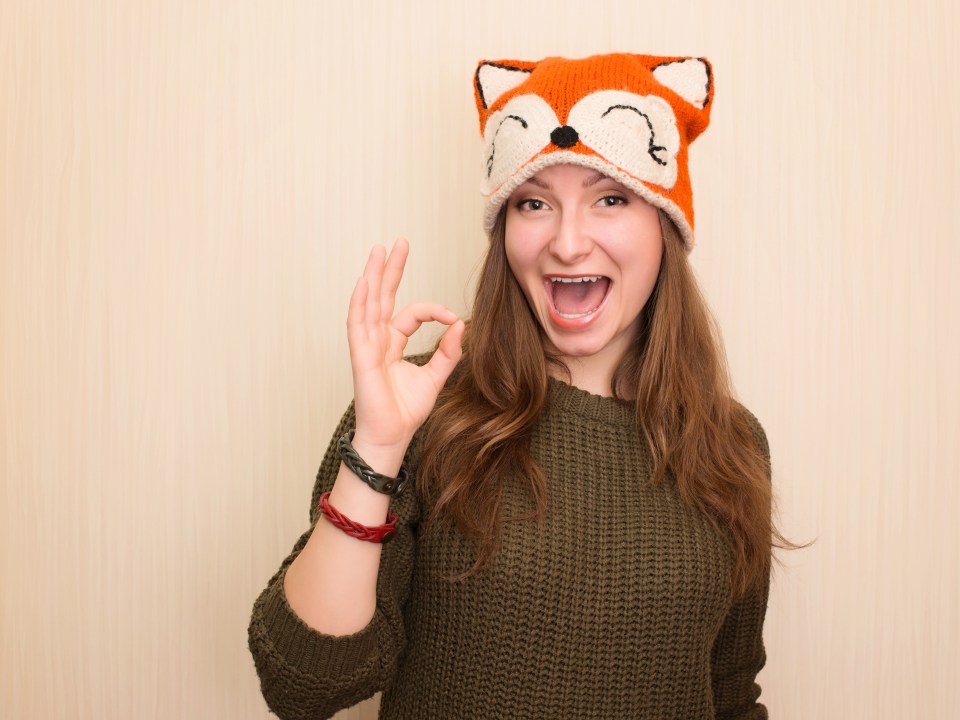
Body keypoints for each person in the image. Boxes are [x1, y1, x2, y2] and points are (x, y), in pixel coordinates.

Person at [249, 53, 782, 719]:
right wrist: (379, 449)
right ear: (505, 233)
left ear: (665, 230)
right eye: (534, 203)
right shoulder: (422, 405)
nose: (566, 242)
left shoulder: (732, 441)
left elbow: (730, 695)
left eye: (609, 198)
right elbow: (304, 686)